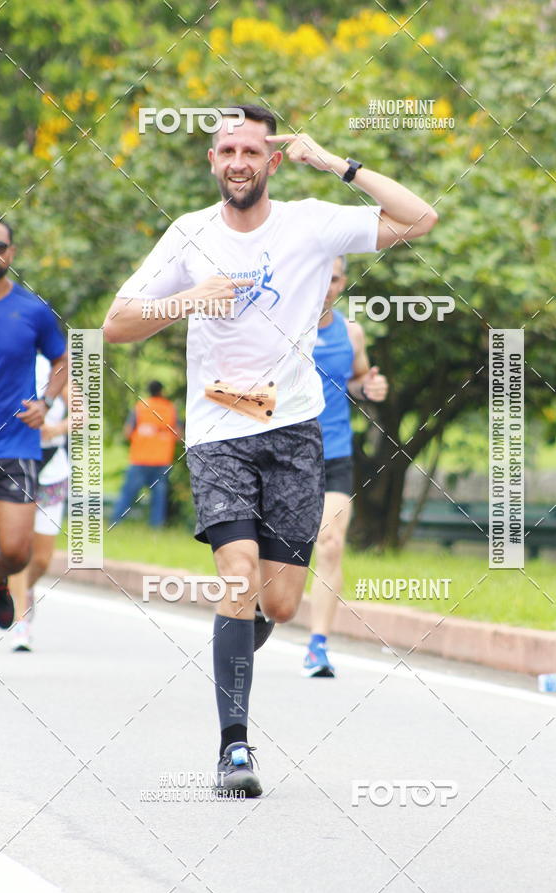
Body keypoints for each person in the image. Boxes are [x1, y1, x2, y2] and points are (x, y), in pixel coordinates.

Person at [103, 104, 438, 797]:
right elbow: (116, 324)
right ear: (212, 161)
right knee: (238, 573)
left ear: (273, 161)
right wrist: (188, 299)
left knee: (279, 603)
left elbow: (419, 218)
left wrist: (339, 165)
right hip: (220, 431)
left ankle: (239, 636)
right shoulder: (188, 234)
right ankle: (234, 750)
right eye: (226, 151)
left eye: (252, 151)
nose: (238, 163)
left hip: (294, 433)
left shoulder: (311, 222)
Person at [303, 256, 388, 677]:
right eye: (319, 276)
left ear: (343, 282)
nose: (326, 286)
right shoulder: (279, 327)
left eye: (334, 278)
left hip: (334, 451)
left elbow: (355, 380)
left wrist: (369, 387)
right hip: (283, 454)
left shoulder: (352, 332)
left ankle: (318, 645)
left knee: (331, 541)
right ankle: (262, 607)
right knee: (274, 554)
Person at [0, 220, 67, 631]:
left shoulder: (33, 310)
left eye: (0, 246)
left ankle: (1, 581)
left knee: (18, 551)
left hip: (17, 444)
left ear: (11, 253)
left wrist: (46, 401)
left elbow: (62, 362)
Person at [9, 354, 69, 651]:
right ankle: (21, 620)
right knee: (19, 548)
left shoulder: (57, 367)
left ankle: (26, 590)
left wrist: (56, 429)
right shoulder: (7, 360)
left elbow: (85, 414)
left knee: (42, 558)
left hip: (52, 468)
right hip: (18, 464)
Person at [111, 380, 181, 528]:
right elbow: (178, 435)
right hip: (162, 460)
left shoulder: (140, 407)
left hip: (139, 459)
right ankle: (156, 527)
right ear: (162, 391)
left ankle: (115, 522)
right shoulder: (170, 409)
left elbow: (127, 432)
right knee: (159, 497)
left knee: (128, 494)